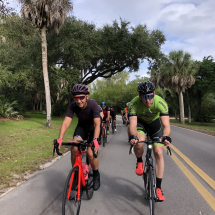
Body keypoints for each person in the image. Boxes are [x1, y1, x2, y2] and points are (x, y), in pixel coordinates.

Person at [129, 81, 172, 201]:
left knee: (158, 152)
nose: (148, 100)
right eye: (144, 97)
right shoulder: (134, 103)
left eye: (150, 96)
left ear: (154, 93)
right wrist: (133, 136)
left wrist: (166, 137)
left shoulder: (160, 102)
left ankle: (158, 188)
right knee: (139, 142)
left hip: (155, 125)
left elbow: (166, 126)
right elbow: (132, 125)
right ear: (139, 96)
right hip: (140, 124)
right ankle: (139, 161)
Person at [57, 84, 101, 191]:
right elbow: (66, 122)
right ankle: (76, 174)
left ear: (86, 96)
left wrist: (95, 140)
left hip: (93, 129)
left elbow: (97, 124)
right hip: (81, 128)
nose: (79, 100)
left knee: (90, 154)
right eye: (76, 98)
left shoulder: (93, 105)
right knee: (74, 148)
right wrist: (60, 138)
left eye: (81, 97)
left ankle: (96, 174)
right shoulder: (73, 106)